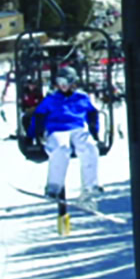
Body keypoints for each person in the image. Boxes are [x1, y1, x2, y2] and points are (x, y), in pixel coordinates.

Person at [28, 66, 101, 200]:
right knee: (61, 149)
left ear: (73, 82)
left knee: (89, 148)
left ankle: (90, 185)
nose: (62, 85)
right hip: (57, 129)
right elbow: (39, 115)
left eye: (65, 82)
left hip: (78, 128)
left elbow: (92, 113)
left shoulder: (81, 97)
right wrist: (33, 134)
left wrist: (95, 130)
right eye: (59, 82)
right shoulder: (51, 99)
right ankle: (54, 187)